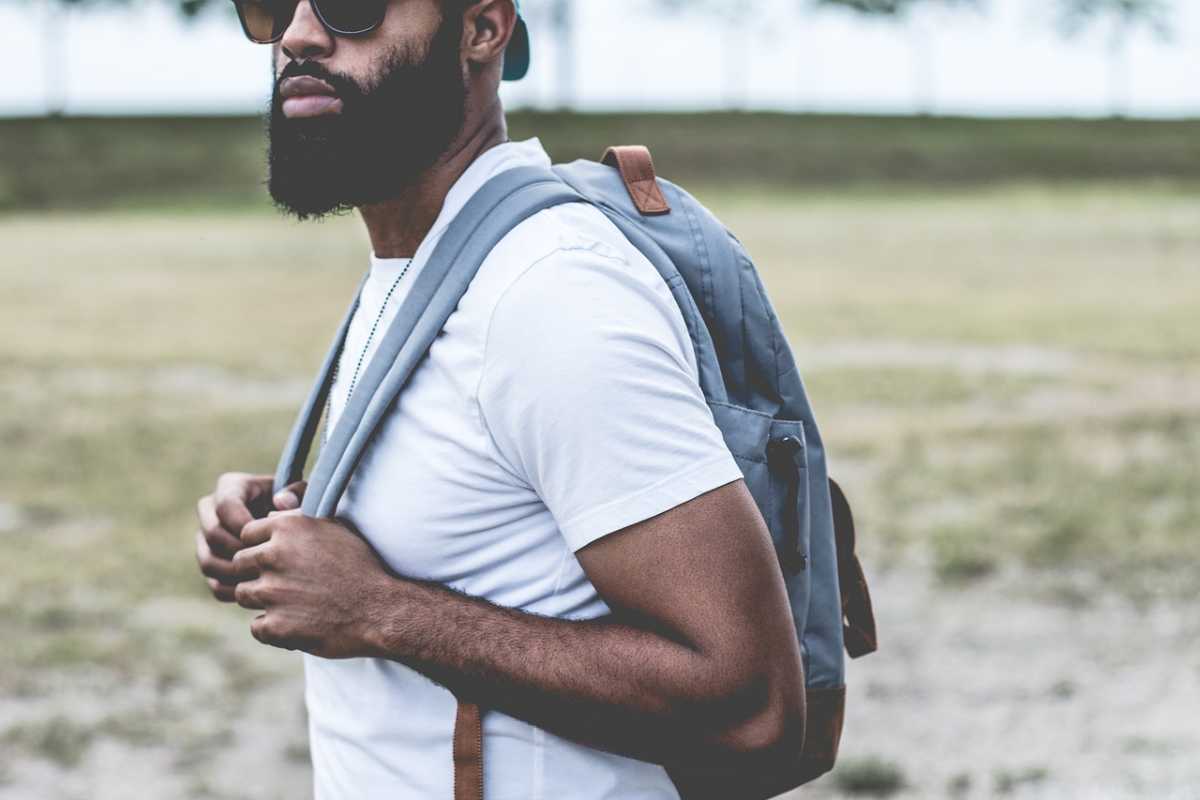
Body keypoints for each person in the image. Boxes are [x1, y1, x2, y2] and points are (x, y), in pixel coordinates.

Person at [193, 1, 805, 797]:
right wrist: (293, 530)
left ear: (482, 29)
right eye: (274, 7)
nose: (300, 36)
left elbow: (751, 708)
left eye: (352, 4)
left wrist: (382, 610)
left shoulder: (548, 295)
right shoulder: (432, 260)